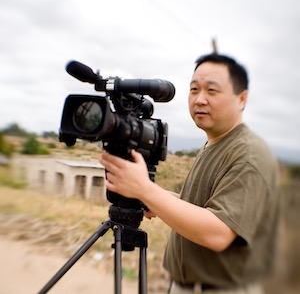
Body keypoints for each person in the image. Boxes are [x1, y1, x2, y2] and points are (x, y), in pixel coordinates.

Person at [99, 53, 280, 294]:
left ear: (241, 99)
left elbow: (218, 233)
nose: (200, 99)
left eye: (211, 91)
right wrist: (156, 198)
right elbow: (201, 207)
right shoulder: (215, 143)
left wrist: (146, 189)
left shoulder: (249, 154)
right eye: (194, 90)